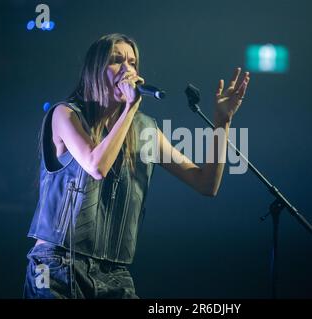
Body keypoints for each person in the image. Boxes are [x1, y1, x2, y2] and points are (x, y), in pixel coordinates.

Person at [23, 33, 250, 299]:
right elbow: (96, 166)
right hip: (57, 266)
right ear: (94, 70)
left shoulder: (145, 129)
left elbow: (206, 183)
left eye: (132, 62)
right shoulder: (66, 114)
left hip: (114, 273)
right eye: (116, 60)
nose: (127, 69)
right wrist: (130, 107)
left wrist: (222, 122)